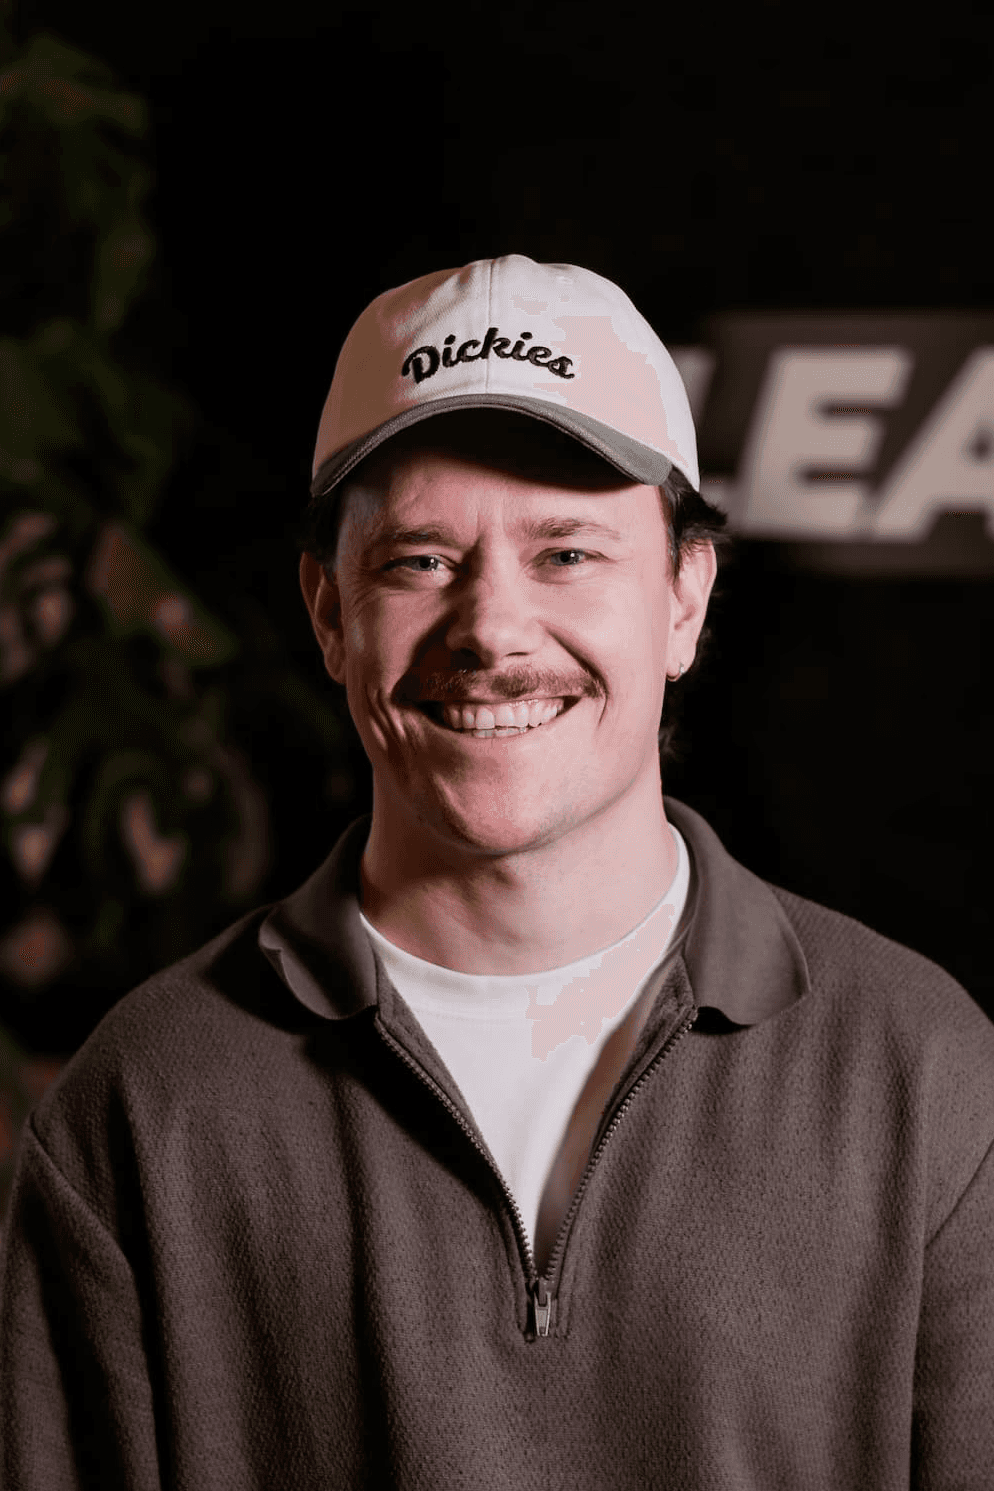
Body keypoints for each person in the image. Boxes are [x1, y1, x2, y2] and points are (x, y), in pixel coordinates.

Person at [1, 254, 992, 1490]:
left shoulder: (922, 1078)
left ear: (686, 596)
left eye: (567, 553)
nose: (493, 630)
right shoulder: (143, 1106)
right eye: (420, 559)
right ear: (326, 612)